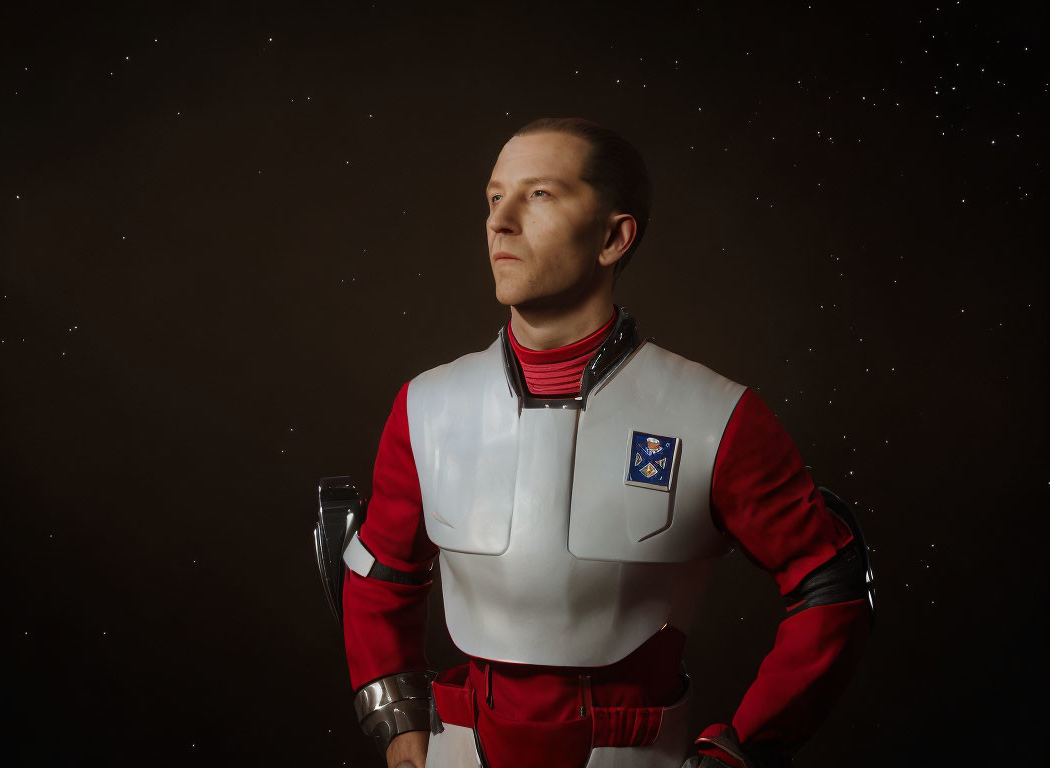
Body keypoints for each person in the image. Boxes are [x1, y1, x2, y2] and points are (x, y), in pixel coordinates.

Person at [332, 117, 873, 768]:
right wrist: (399, 729)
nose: (499, 222)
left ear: (614, 237)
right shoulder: (427, 407)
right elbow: (379, 574)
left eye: (539, 195)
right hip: (457, 750)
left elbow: (831, 585)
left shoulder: (716, 417)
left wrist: (741, 747)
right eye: (494, 197)